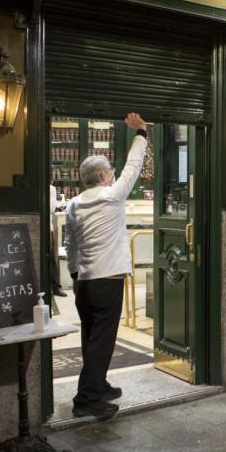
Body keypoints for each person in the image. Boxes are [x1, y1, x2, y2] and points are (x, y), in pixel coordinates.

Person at [65, 113, 148, 420]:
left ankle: (98, 385)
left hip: (84, 281)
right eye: (110, 172)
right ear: (102, 177)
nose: (114, 175)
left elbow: (70, 244)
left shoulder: (74, 204)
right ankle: (86, 399)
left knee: (90, 337)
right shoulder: (112, 196)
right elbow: (133, 167)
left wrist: (74, 273)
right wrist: (141, 133)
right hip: (107, 279)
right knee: (102, 340)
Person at [49, 183, 66, 298]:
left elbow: (51, 208)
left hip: (47, 227)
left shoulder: (50, 189)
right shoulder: (51, 189)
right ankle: (55, 287)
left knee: (51, 258)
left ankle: (56, 287)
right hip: (45, 226)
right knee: (51, 258)